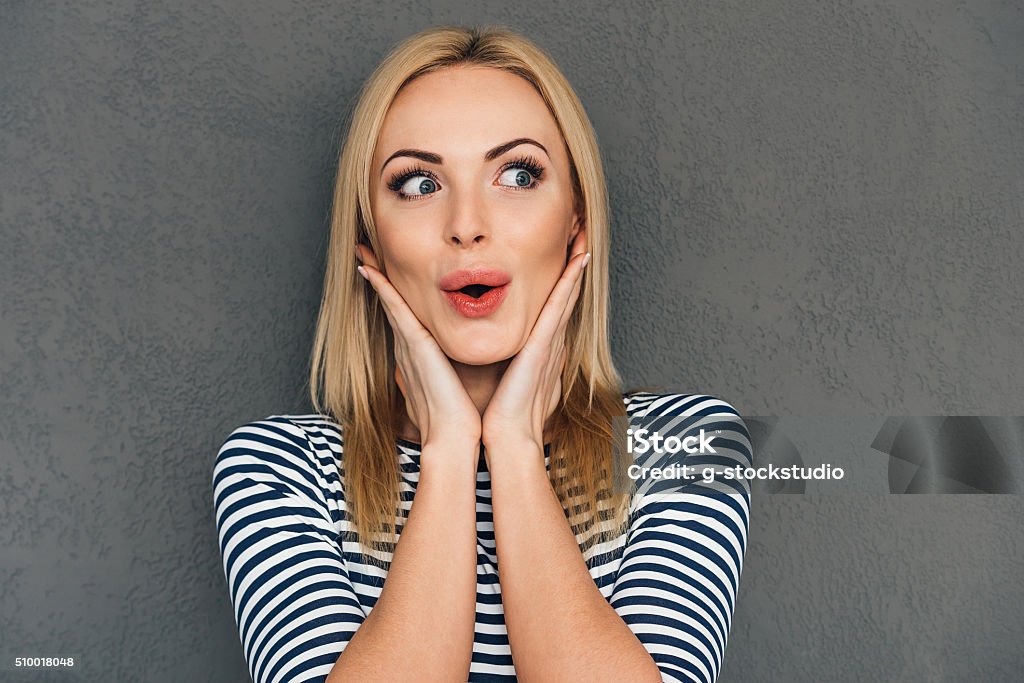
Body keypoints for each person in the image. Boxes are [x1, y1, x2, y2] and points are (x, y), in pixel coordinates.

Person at [212, 24, 751, 683]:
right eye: (417, 184)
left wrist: (515, 447)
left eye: (517, 174)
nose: (468, 224)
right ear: (370, 240)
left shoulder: (687, 444)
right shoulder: (277, 469)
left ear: (576, 219)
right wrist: (448, 452)